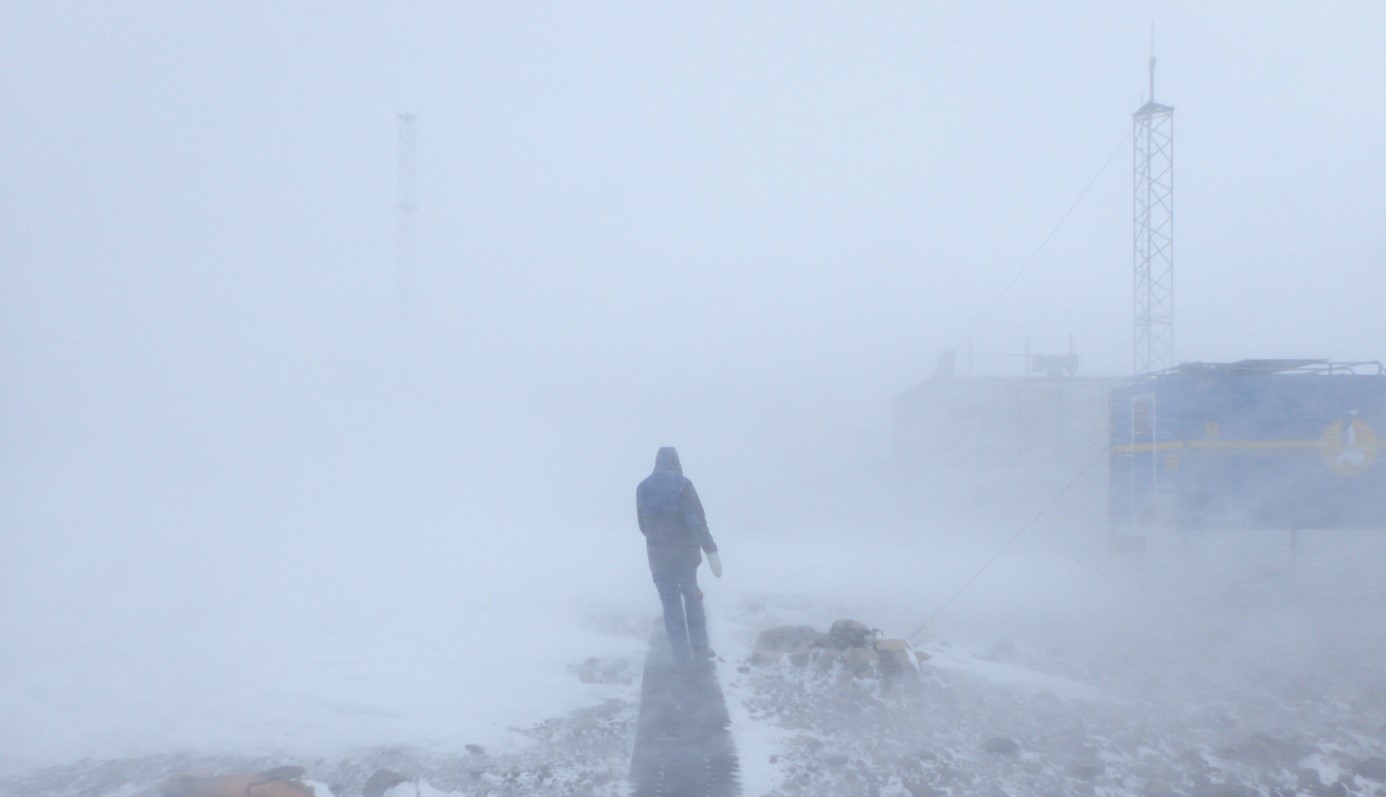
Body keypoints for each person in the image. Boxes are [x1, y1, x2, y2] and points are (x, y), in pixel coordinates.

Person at [636, 446, 722, 663]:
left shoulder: (642, 487)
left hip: (657, 555)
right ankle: (700, 649)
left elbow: (642, 525)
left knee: (670, 602)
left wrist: (658, 538)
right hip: (684, 553)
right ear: (677, 462)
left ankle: (681, 655)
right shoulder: (683, 484)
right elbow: (696, 520)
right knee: (692, 596)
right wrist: (710, 549)